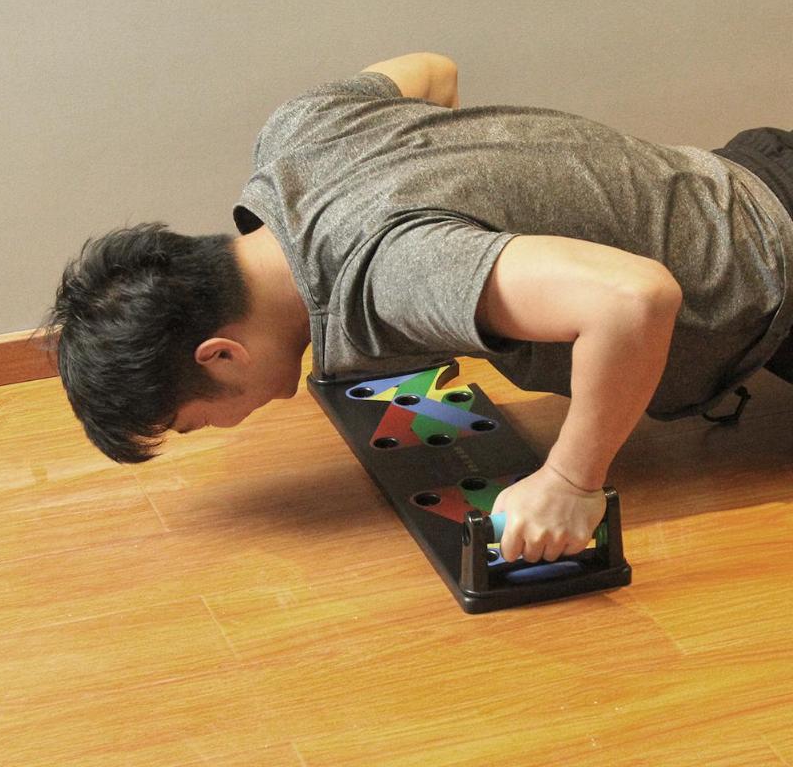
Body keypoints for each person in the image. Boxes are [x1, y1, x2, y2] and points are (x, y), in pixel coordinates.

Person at [42, 52, 793, 565]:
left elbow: (634, 299)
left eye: (194, 422)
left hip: (774, 266)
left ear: (221, 354)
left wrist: (571, 481)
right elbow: (431, 68)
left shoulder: (387, 273)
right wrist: (468, 210)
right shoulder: (295, 135)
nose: (218, 428)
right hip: (745, 169)